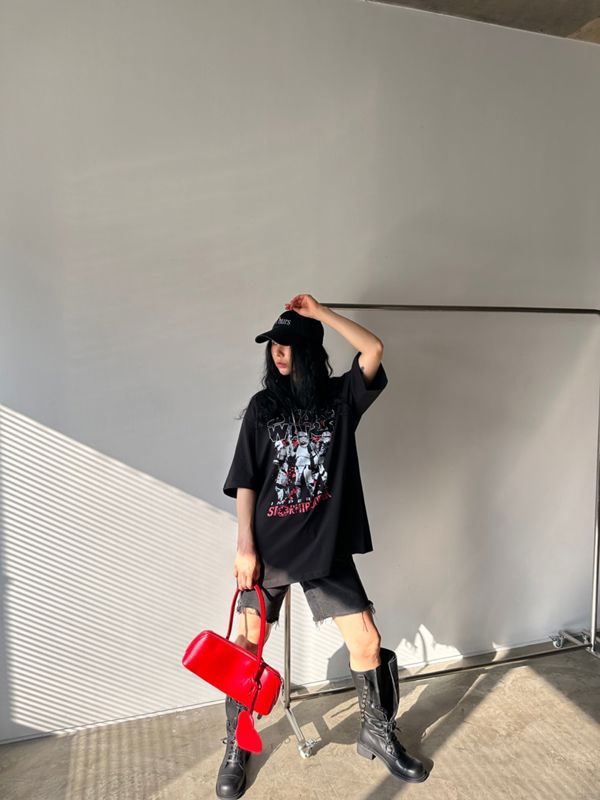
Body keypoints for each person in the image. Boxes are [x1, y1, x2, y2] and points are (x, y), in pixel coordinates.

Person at [217, 294, 429, 798]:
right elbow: (247, 479)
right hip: (268, 548)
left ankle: (376, 732)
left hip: (323, 547)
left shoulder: (340, 399)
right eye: (274, 344)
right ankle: (237, 742)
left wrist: (321, 314)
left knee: (367, 642)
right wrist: (244, 545)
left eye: (289, 344)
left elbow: (373, 349)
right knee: (245, 649)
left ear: (310, 350)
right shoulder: (262, 407)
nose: (278, 352)